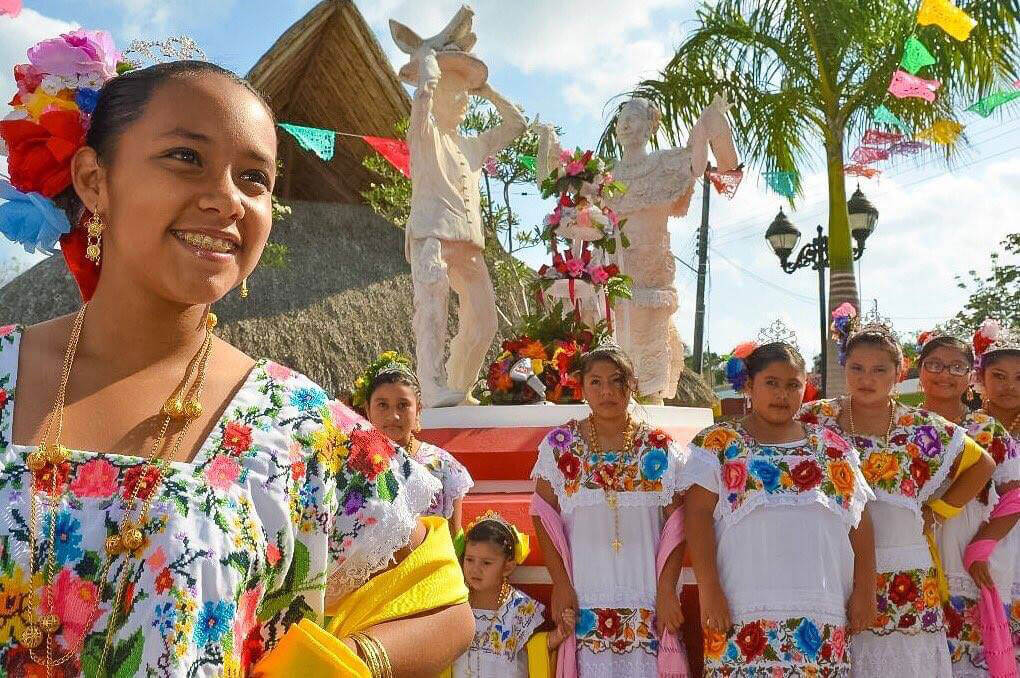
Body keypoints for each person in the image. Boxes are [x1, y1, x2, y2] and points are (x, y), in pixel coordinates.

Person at [0, 31, 472, 677]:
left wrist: (345, 664)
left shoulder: (298, 427)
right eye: (185, 157)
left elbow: (441, 607)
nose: (227, 198)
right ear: (93, 180)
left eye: (255, 177)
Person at [799, 308, 995, 677]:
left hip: (907, 565)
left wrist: (938, 510)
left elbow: (982, 465)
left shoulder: (921, 426)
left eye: (879, 370)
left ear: (898, 373)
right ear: (844, 369)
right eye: (856, 368)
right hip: (836, 562)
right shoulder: (816, 418)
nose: (866, 378)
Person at [683, 335, 876, 676]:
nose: (782, 394)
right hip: (741, 607)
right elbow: (696, 517)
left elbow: (860, 522)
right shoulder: (718, 443)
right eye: (771, 383)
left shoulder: (832, 447)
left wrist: (865, 590)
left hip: (821, 608)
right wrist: (709, 590)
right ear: (749, 386)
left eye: (792, 385)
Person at [393, 8, 526, 407]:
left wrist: (486, 91)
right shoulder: (425, 134)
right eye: (456, 95)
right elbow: (419, 107)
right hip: (432, 234)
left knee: (484, 321)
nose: (463, 102)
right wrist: (429, 79)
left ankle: (459, 383)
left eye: (465, 96)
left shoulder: (473, 145)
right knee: (431, 310)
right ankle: (431, 385)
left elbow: (516, 124)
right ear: (437, 100)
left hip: (468, 242)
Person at [529, 341, 689, 676]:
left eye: (617, 381)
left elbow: (677, 525)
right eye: (596, 382)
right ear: (582, 387)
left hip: (644, 591)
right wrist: (560, 583)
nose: (607, 391)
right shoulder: (561, 446)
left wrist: (665, 591)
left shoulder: (657, 447)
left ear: (632, 385)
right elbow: (543, 515)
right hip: (586, 589)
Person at [916, 330, 1020, 676]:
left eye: (956, 367)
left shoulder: (986, 429)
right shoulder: (903, 425)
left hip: (971, 554)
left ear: (970, 377)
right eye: (935, 365)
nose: (945, 374)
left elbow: (1016, 496)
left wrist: (981, 546)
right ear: (920, 371)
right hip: (916, 552)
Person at [354, 351, 474, 539]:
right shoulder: (352, 466)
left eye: (403, 405)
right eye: (382, 405)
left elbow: (454, 537)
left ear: (418, 410)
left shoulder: (444, 467)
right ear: (368, 410)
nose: (393, 416)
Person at [448, 512, 572, 677]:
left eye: (486, 562)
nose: (475, 569)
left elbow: (532, 648)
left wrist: (557, 635)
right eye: (470, 560)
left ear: (507, 567)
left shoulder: (519, 608)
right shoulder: (456, 602)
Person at [969, 320, 1020, 667]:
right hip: (975, 540)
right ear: (981, 379)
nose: (1008, 386)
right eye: (999, 375)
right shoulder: (967, 428)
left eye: (1019, 377)